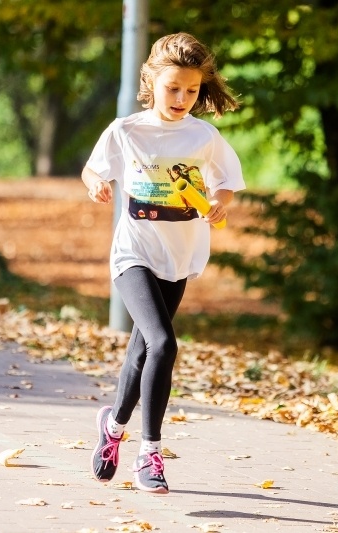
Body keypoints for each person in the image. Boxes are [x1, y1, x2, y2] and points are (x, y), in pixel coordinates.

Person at [82, 32, 245, 495]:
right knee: (163, 342)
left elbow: (227, 180)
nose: (182, 98)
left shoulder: (203, 136)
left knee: (142, 351)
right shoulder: (126, 130)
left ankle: (112, 429)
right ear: (151, 81)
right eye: (173, 88)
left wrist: (219, 202)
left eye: (192, 90)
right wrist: (96, 183)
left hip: (180, 256)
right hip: (134, 254)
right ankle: (149, 453)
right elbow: (93, 167)